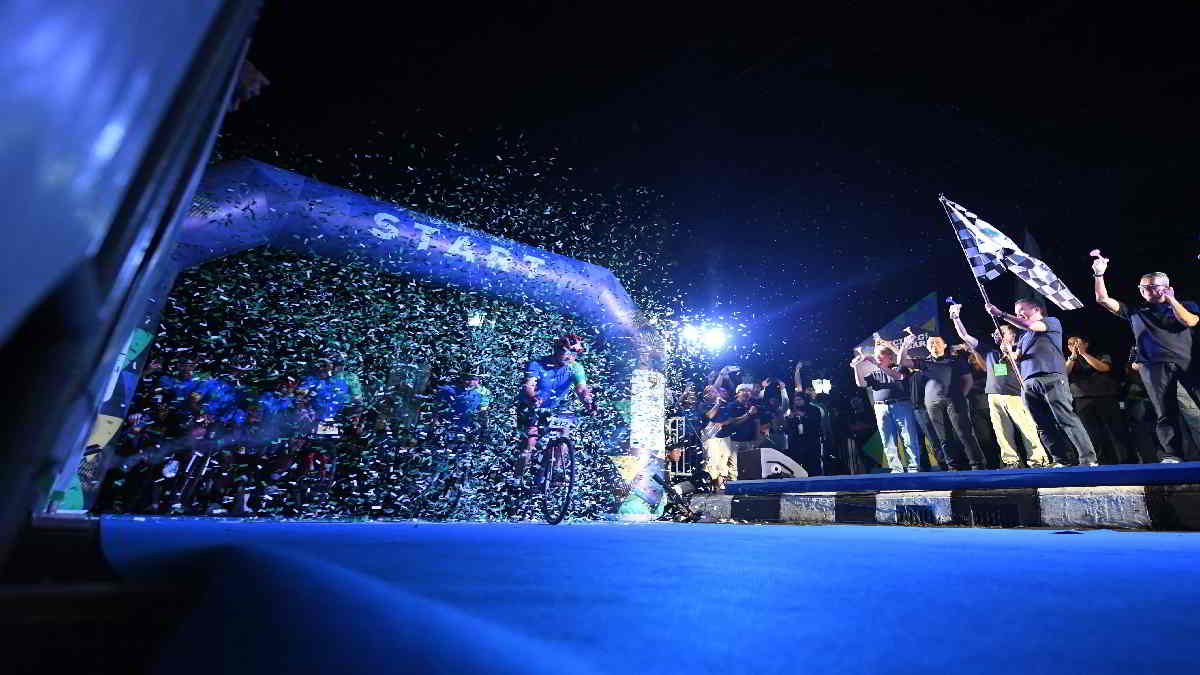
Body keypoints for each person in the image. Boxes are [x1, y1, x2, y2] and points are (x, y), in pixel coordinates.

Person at [1092, 257, 1200, 463]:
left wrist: (1172, 300)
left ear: (1167, 288)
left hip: (1189, 363)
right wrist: (1099, 273)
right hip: (1154, 367)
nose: (1146, 291)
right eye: (1142, 287)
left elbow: (1190, 321)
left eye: (1151, 287)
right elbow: (1102, 299)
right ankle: (1172, 454)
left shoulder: (1187, 305)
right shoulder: (1136, 311)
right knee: (1165, 411)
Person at [985, 298, 1099, 467]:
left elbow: (1031, 325)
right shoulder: (1024, 337)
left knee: (1065, 419)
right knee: (1042, 424)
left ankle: (1088, 460)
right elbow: (1017, 358)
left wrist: (1001, 314)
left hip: (1051, 377)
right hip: (1029, 383)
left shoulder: (1051, 322)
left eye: (1021, 310)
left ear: (1036, 309)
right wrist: (1009, 351)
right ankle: (1060, 460)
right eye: (1016, 313)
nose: (1019, 315)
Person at [949, 304, 1051, 468]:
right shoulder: (990, 352)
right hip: (994, 396)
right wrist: (956, 318)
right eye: (995, 332)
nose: (996, 334)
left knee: (1027, 428)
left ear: (1012, 334)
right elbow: (965, 336)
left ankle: (1038, 460)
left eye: (1001, 332)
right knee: (1001, 431)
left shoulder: (1022, 348)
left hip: (1015, 395)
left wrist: (1011, 351)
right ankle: (1011, 461)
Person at [900, 333, 988, 470]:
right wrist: (905, 345)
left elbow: (968, 380)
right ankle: (953, 466)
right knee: (944, 437)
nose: (934, 345)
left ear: (945, 345)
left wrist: (959, 396)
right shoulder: (925, 363)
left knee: (964, 433)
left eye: (937, 342)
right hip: (933, 405)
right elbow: (902, 362)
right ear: (927, 347)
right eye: (931, 343)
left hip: (954, 401)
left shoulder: (955, 360)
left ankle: (977, 464)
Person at [517, 334, 596, 474]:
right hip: (531, 405)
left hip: (554, 408)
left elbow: (582, 389)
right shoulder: (537, 364)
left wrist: (589, 404)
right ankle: (518, 476)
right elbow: (529, 386)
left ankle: (554, 472)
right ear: (557, 350)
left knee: (563, 436)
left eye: (575, 353)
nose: (570, 357)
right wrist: (534, 398)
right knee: (530, 443)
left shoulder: (575, 367)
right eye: (567, 352)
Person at [851, 345, 922, 472]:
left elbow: (898, 377)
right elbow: (861, 384)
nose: (878, 356)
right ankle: (896, 469)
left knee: (908, 437)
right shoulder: (875, 372)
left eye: (881, 354)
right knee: (887, 439)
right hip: (881, 408)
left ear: (889, 357)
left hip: (901, 405)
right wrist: (856, 367)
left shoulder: (900, 368)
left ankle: (914, 467)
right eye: (877, 354)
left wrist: (879, 366)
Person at [1065, 335, 1130, 464]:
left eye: (1077, 343)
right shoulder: (1069, 360)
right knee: (1091, 433)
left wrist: (1083, 354)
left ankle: (1125, 461)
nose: (1074, 346)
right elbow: (1064, 372)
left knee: (1115, 430)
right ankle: (1101, 462)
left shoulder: (1100, 354)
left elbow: (1104, 368)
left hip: (1105, 397)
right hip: (1082, 400)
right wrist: (1073, 357)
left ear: (1086, 344)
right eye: (1071, 344)